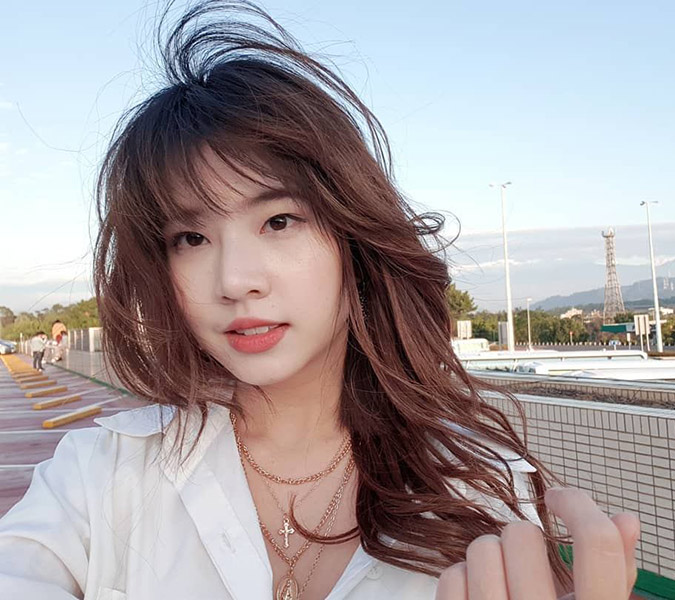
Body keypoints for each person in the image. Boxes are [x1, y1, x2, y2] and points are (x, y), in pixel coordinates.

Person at [0, 2, 638, 599]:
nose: (235, 281)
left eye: (279, 221)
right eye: (190, 238)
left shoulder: (476, 489)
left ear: (352, 236)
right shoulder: (99, 477)